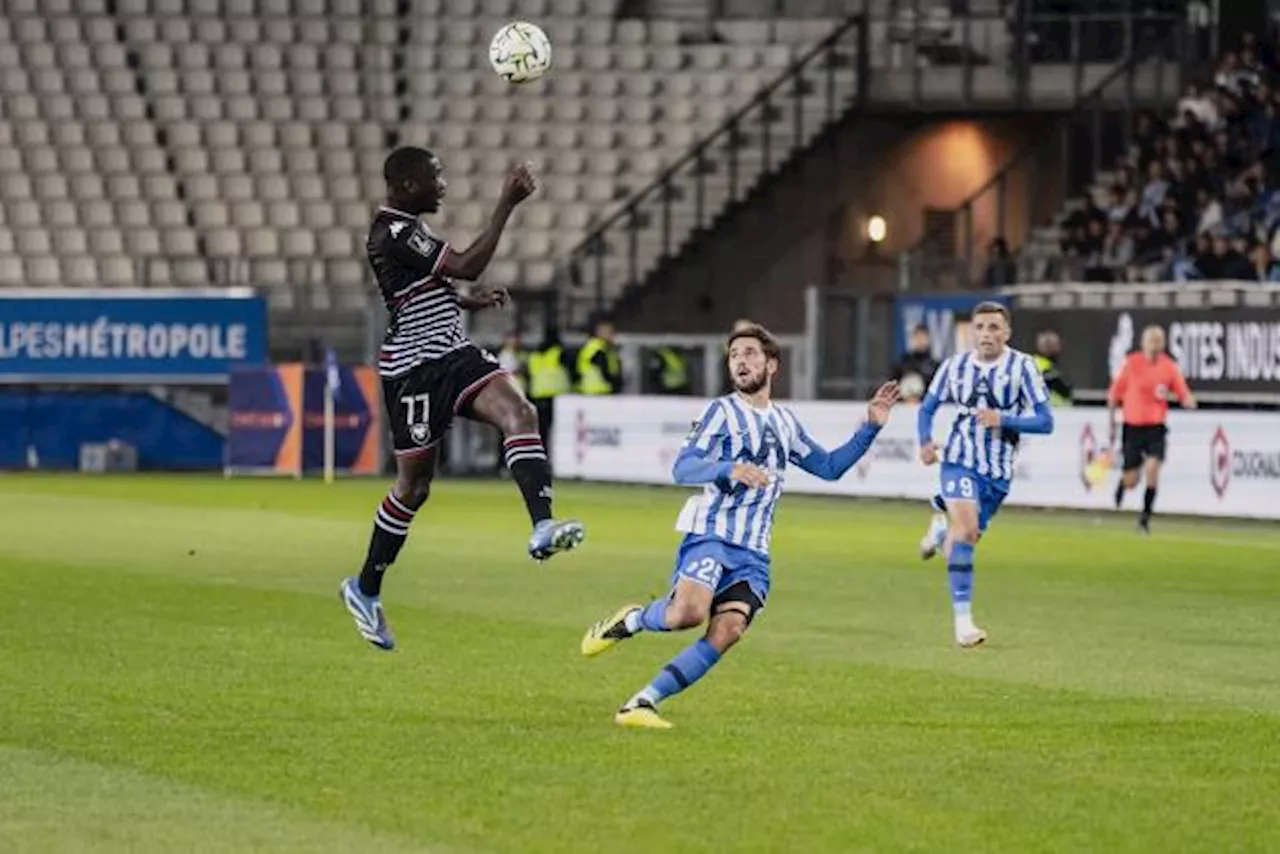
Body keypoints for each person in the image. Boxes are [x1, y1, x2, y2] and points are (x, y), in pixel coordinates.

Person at [579, 323, 900, 729]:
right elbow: (683, 467)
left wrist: (870, 427)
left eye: (749, 353)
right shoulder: (722, 412)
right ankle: (633, 619)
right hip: (713, 535)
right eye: (734, 356)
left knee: (728, 630)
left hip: (754, 552)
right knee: (687, 614)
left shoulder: (785, 423)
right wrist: (729, 468)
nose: (740, 362)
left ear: (772, 365)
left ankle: (641, 703)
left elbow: (830, 468)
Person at [339, 146, 585, 651]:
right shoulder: (394, 231)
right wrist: (506, 204)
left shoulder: (411, 229)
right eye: (436, 177)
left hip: (453, 352)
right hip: (413, 371)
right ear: (407, 186)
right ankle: (364, 588)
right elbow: (467, 265)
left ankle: (543, 526)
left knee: (521, 412)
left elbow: (422, 288)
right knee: (413, 488)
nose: (444, 184)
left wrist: (468, 302)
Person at [915, 302, 1055, 648]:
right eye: (980, 327)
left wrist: (1003, 419)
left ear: (1006, 333)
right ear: (972, 332)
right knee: (966, 530)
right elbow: (928, 406)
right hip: (959, 459)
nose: (986, 334)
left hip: (997, 471)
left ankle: (940, 530)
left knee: (966, 536)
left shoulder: (1023, 367)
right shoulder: (955, 366)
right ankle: (963, 623)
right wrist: (925, 442)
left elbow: (1045, 421)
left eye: (994, 328)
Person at [1108, 325, 1197, 534]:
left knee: (1152, 469)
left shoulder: (1169, 367)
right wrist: (1112, 425)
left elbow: (1183, 392)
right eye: (1152, 341)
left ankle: (1144, 519)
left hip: (1156, 427)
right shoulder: (1132, 363)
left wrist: (1187, 400)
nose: (1156, 346)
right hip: (1132, 427)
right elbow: (1114, 395)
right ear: (1143, 343)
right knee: (1132, 481)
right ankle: (1123, 483)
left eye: (1159, 341)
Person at [526, 326, 573, 446]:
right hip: (556, 397)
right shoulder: (559, 352)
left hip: (537, 396)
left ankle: (542, 454)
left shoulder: (535, 355)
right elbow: (572, 371)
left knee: (542, 430)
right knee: (560, 429)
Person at [892, 324, 939, 403]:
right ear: (913, 339)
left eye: (923, 337)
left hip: (925, 406)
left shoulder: (934, 365)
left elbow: (938, 390)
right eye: (917, 337)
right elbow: (893, 384)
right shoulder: (903, 362)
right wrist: (904, 396)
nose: (920, 340)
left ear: (928, 339)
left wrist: (920, 397)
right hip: (903, 407)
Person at [576, 317, 621, 394]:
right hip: (595, 392)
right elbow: (604, 370)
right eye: (610, 333)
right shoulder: (595, 348)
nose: (613, 336)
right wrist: (615, 383)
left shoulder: (606, 349)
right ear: (601, 333)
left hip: (601, 391)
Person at [1032, 329, 1074, 406]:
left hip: (1062, 412)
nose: (1049, 346)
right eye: (1047, 343)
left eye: (1053, 343)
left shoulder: (1054, 366)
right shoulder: (1034, 364)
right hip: (1047, 411)